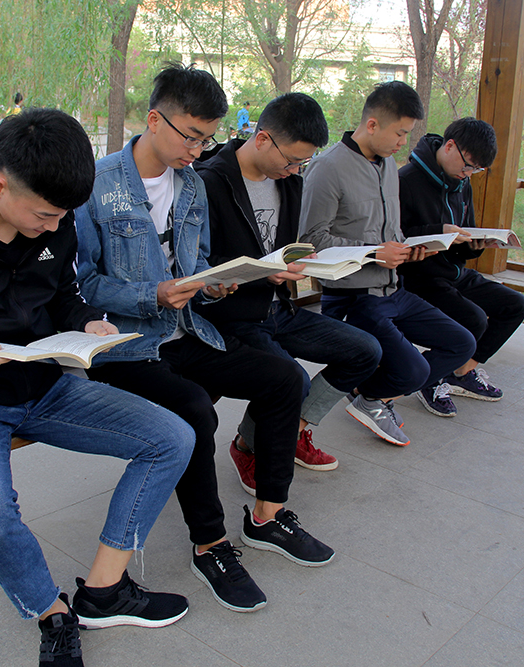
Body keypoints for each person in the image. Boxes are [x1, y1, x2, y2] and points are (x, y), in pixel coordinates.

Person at [0, 108, 195, 667]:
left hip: (48, 385)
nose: (54, 227)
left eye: (62, 216)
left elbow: (65, 295)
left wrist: (88, 321)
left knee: (173, 437)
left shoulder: (58, 219)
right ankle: (51, 612)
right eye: (44, 215)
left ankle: (103, 591)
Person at [75, 64, 335, 616]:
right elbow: (84, 284)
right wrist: (152, 294)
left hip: (188, 328)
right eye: (190, 136)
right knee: (194, 408)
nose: (197, 151)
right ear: (154, 120)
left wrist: (213, 284)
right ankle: (211, 544)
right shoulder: (97, 186)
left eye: (207, 139)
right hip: (124, 343)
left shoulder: (191, 185)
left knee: (284, 379)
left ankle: (267, 516)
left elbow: (195, 267)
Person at [195, 92, 382, 489]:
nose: (296, 169)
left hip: (279, 309)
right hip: (231, 316)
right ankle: (255, 447)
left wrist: (302, 263)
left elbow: (283, 250)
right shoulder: (208, 182)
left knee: (365, 351)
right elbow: (198, 265)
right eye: (292, 160)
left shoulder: (290, 184)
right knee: (293, 380)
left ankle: (270, 435)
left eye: (303, 163)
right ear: (263, 139)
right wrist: (265, 273)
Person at [298, 81, 476, 443]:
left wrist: (417, 246)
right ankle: (372, 396)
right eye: (400, 133)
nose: (403, 142)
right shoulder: (328, 167)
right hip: (353, 297)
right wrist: (375, 252)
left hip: (394, 289)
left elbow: (392, 233)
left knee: (462, 342)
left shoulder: (389, 165)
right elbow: (311, 242)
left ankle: (371, 395)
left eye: (408, 134)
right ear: (372, 124)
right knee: (414, 370)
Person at [398, 117, 524, 410]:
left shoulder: (462, 183)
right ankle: (430, 379)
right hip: (420, 277)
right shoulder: (406, 181)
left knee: (515, 305)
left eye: (475, 170)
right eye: (468, 165)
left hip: (454, 273)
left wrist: (476, 244)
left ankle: (461, 371)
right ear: (449, 146)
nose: (468, 174)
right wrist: (437, 232)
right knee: (474, 319)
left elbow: (465, 233)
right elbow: (394, 236)